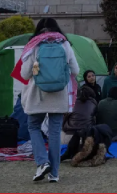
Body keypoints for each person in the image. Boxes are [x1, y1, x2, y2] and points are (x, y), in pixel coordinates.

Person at [19, 29, 79, 183]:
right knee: (54, 132)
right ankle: (55, 173)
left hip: (38, 96)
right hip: (58, 96)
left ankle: (42, 162)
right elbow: (76, 71)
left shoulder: (34, 46)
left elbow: (25, 74)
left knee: (33, 127)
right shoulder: (65, 45)